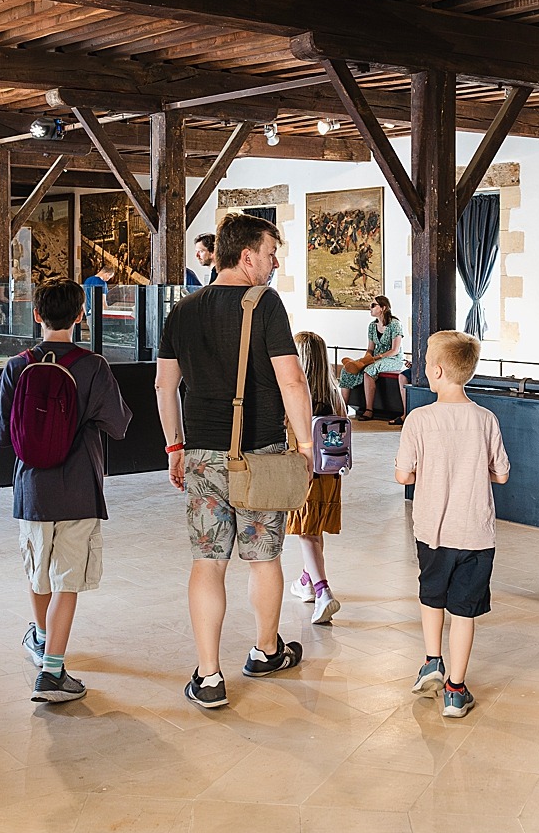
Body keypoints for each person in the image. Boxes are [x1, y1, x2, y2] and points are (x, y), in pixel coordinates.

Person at [155, 213, 315, 709]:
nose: (274, 262)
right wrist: (307, 447)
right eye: (271, 253)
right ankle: (266, 651)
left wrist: (175, 446)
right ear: (246, 256)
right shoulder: (265, 304)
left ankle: (208, 676)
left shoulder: (181, 309)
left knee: (208, 562)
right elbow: (292, 380)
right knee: (263, 557)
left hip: (202, 455)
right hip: (261, 455)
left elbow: (165, 385)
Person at [0, 279, 132, 705]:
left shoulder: (16, 366)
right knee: (67, 581)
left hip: (31, 489)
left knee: (38, 574)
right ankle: (52, 672)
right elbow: (120, 425)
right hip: (79, 489)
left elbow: (4, 435)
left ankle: (40, 639)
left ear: (37, 315)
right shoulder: (93, 366)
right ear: (80, 316)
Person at [397, 330, 509, 719]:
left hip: (432, 530)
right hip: (476, 533)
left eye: (426, 362)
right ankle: (456, 691)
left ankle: (432, 661)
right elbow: (502, 475)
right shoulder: (485, 419)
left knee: (432, 595)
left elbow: (403, 476)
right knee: (465, 610)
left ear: (438, 371)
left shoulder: (419, 419)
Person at [288, 331, 345, 625]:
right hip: (332, 473)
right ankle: (306, 580)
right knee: (315, 526)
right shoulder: (335, 396)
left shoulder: (297, 396)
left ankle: (323, 592)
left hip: (305, 471)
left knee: (305, 531)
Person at [337, 295, 404, 420]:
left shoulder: (395, 325)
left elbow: (395, 350)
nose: (370, 308)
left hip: (393, 359)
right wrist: (365, 360)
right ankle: (343, 407)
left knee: (369, 371)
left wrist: (376, 358)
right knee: (346, 371)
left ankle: (369, 409)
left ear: (383, 308)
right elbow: (370, 348)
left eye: (373, 305)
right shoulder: (372, 326)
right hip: (375, 358)